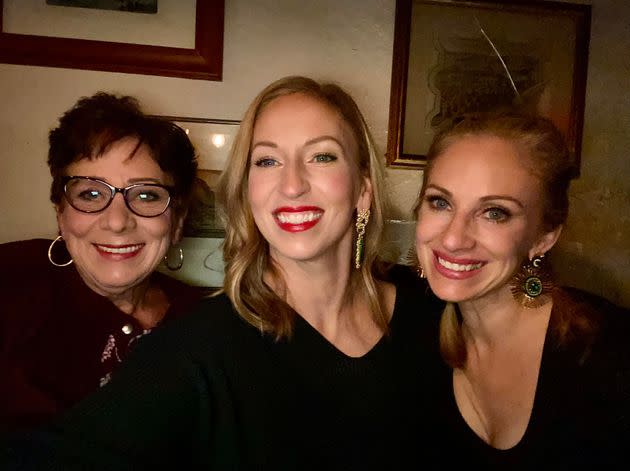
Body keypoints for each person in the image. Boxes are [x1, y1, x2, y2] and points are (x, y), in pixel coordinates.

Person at [3, 76, 437, 469]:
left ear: (363, 189)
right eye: (266, 161)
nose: (292, 184)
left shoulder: (435, 311)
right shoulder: (200, 347)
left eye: (322, 156)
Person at [413, 112, 630, 468]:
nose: (453, 238)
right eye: (440, 202)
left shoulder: (611, 353)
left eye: (495, 213)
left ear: (544, 238)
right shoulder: (414, 332)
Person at [0, 93, 203, 436]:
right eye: (91, 194)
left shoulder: (208, 323)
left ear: (177, 221)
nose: (117, 222)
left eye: (146, 195)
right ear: (61, 214)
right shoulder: (11, 286)